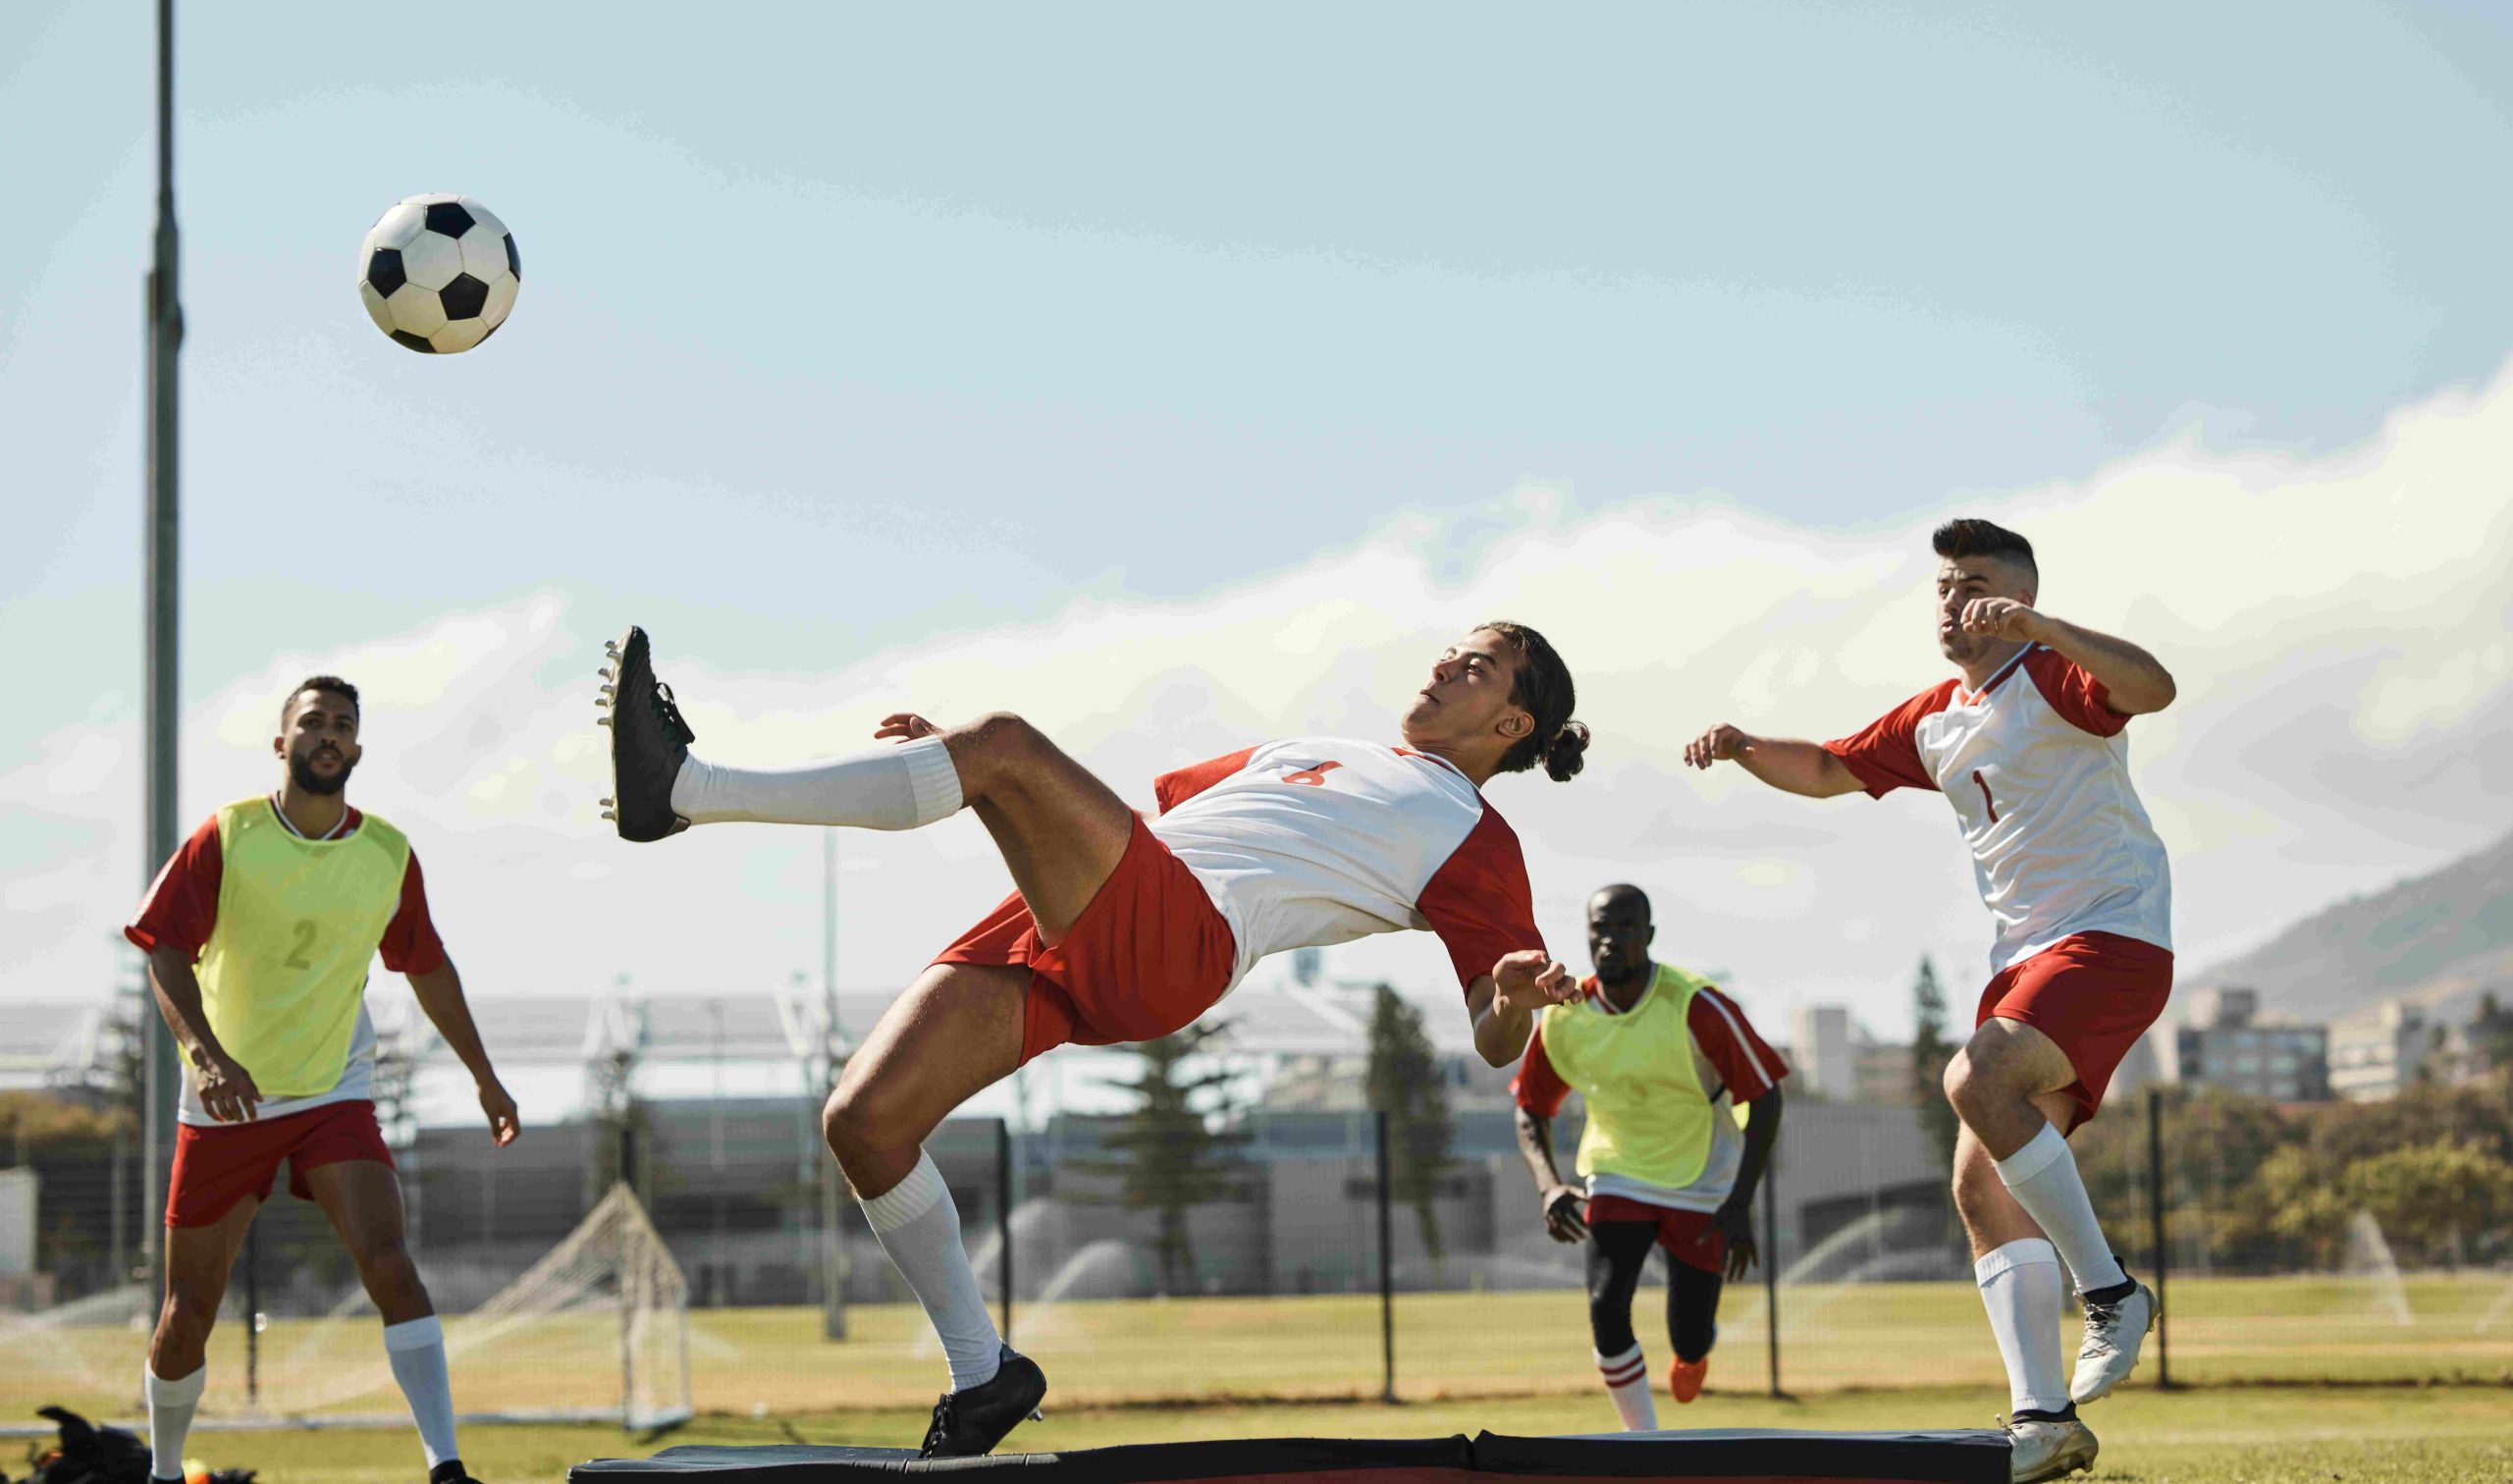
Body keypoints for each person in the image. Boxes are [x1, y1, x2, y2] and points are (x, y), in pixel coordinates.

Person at [602, 621, 1590, 1456]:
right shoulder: (1315, 747)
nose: (1448, 662)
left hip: (1176, 944)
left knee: (1004, 741)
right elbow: (1133, 823)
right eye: (1455, 648)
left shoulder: (1474, 834)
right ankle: (982, 1373)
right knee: (863, 1123)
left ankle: (683, 789)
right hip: (1101, 905)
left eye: (1480, 665)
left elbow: (1495, 1039)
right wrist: (951, 769)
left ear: (1511, 725)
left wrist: (1508, 993)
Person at [1684, 518, 2174, 1484]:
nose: (1954, 600)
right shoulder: (1935, 716)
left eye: (1977, 584)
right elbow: (1827, 769)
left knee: (1974, 1076)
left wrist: (2046, 625)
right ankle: (2043, 1419)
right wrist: (1744, 746)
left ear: (2019, 598)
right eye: (1944, 587)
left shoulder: (2057, 675)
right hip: (2025, 964)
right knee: (1980, 1184)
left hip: (2111, 940)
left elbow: (2152, 688)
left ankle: (2111, 1291)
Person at [125, 676, 519, 1484]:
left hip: (332, 1087)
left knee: (389, 1261)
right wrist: (205, 1056)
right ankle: (165, 1474)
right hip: (225, 1101)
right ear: (282, 744)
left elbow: (428, 966)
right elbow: (164, 948)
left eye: (343, 725)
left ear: (359, 749)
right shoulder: (227, 835)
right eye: (312, 723)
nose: (328, 735)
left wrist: (485, 1077)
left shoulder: (386, 853)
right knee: (187, 1313)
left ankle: (446, 1467)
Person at [1511, 883, 1786, 1429]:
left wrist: (1738, 1204)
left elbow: (1766, 1096)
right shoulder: (1565, 1015)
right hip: (1617, 1173)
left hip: (1704, 1177)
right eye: (1600, 929)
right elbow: (1528, 1109)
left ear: (1650, 935)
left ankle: (1692, 1353)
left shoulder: (1697, 1004)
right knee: (1606, 1302)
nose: (1611, 940)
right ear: (1588, 936)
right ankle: (1645, 1445)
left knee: (1689, 1328)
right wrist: (1550, 1186)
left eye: (1626, 928)